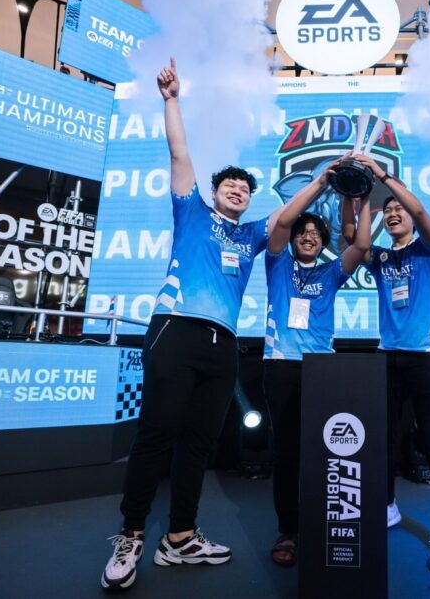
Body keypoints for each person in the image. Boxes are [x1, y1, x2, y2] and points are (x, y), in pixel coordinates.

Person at [101, 58, 293, 591]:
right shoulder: (192, 211)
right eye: (229, 185)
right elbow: (180, 153)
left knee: (199, 443)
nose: (237, 190)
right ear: (214, 191)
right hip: (176, 330)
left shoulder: (250, 234)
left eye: (244, 189)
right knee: (156, 432)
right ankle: (131, 534)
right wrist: (171, 100)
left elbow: (285, 218)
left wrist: (323, 179)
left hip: (223, 345)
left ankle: (180, 537)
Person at [343, 153, 430, 574]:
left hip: (429, 357)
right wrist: (357, 195)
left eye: (400, 209)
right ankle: (387, 506)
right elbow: (352, 238)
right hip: (388, 355)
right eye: (389, 210)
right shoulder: (381, 259)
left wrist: (382, 176)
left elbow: (420, 210)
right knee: (381, 439)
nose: (395, 213)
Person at [262, 169, 371, 566]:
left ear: (324, 242)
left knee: (326, 455)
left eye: (315, 234)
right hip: (281, 367)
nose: (308, 237)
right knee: (287, 453)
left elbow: (362, 245)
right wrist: (323, 182)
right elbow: (283, 222)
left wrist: (361, 196)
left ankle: (322, 524)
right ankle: (288, 530)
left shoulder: (330, 272)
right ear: (293, 239)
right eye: (302, 233)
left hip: (322, 372)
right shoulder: (277, 264)